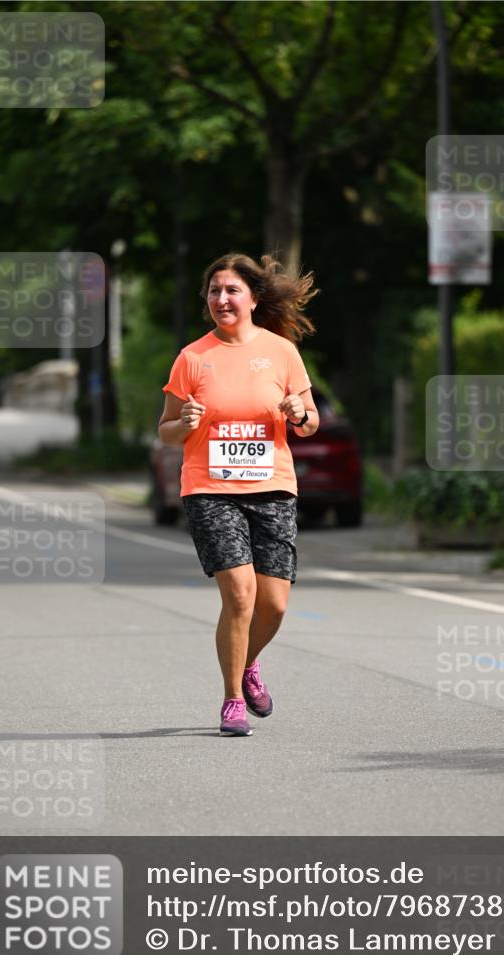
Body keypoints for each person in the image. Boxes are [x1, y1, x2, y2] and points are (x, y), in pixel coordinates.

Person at [158, 252, 320, 736]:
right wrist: (184, 423)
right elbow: (166, 430)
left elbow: (310, 422)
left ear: (253, 298)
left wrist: (298, 414)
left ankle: (248, 664)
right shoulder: (193, 357)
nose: (222, 299)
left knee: (275, 604)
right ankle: (232, 701)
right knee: (241, 593)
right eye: (214, 291)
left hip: (273, 489)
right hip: (210, 489)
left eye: (232, 290)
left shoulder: (282, 352)